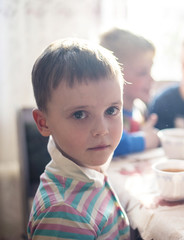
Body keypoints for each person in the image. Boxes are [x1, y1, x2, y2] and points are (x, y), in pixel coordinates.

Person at [28, 38, 130, 239]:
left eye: (111, 110)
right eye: (79, 114)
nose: (101, 130)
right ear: (43, 123)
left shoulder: (88, 171)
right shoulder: (64, 212)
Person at [100, 28, 159, 156]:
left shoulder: (140, 109)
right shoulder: (106, 113)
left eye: (150, 71)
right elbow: (111, 143)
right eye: (142, 73)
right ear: (114, 76)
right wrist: (145, 139)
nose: (151, 79)